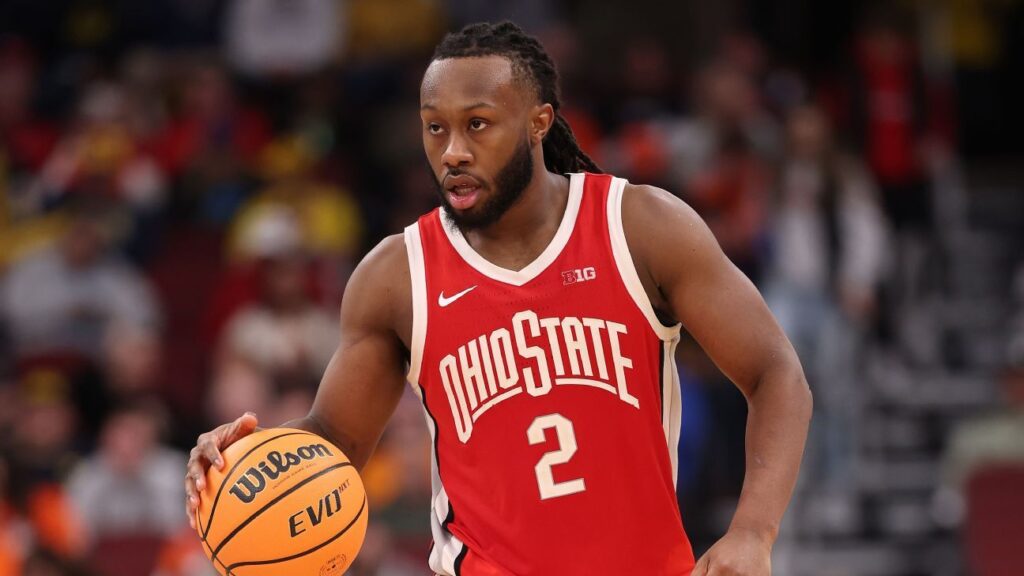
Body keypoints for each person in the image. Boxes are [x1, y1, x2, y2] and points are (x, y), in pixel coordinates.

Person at [185, 22, 812, 575]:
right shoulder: (396, 276)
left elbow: (776, 372)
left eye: (476, 124)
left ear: (539, 121)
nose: (452, 151)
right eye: (436, 128)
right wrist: (248, 464)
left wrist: (754, 533)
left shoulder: (639, 226)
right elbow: (336, 442)